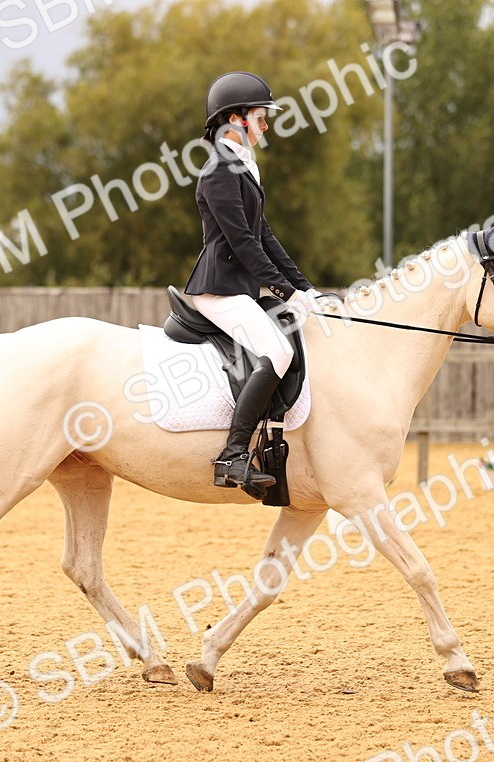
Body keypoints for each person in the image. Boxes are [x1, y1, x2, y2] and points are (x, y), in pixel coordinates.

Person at [183, 71, 322, 497]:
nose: (265, 128)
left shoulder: (242, 169)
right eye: (261, 119)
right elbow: (243, 244)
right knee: (277, 350)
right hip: (218, 288)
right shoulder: (219, 171)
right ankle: (233, 454)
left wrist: (304, 288)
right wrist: (284, 292)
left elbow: (265, 236)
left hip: (239, 287)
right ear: (237, 119)